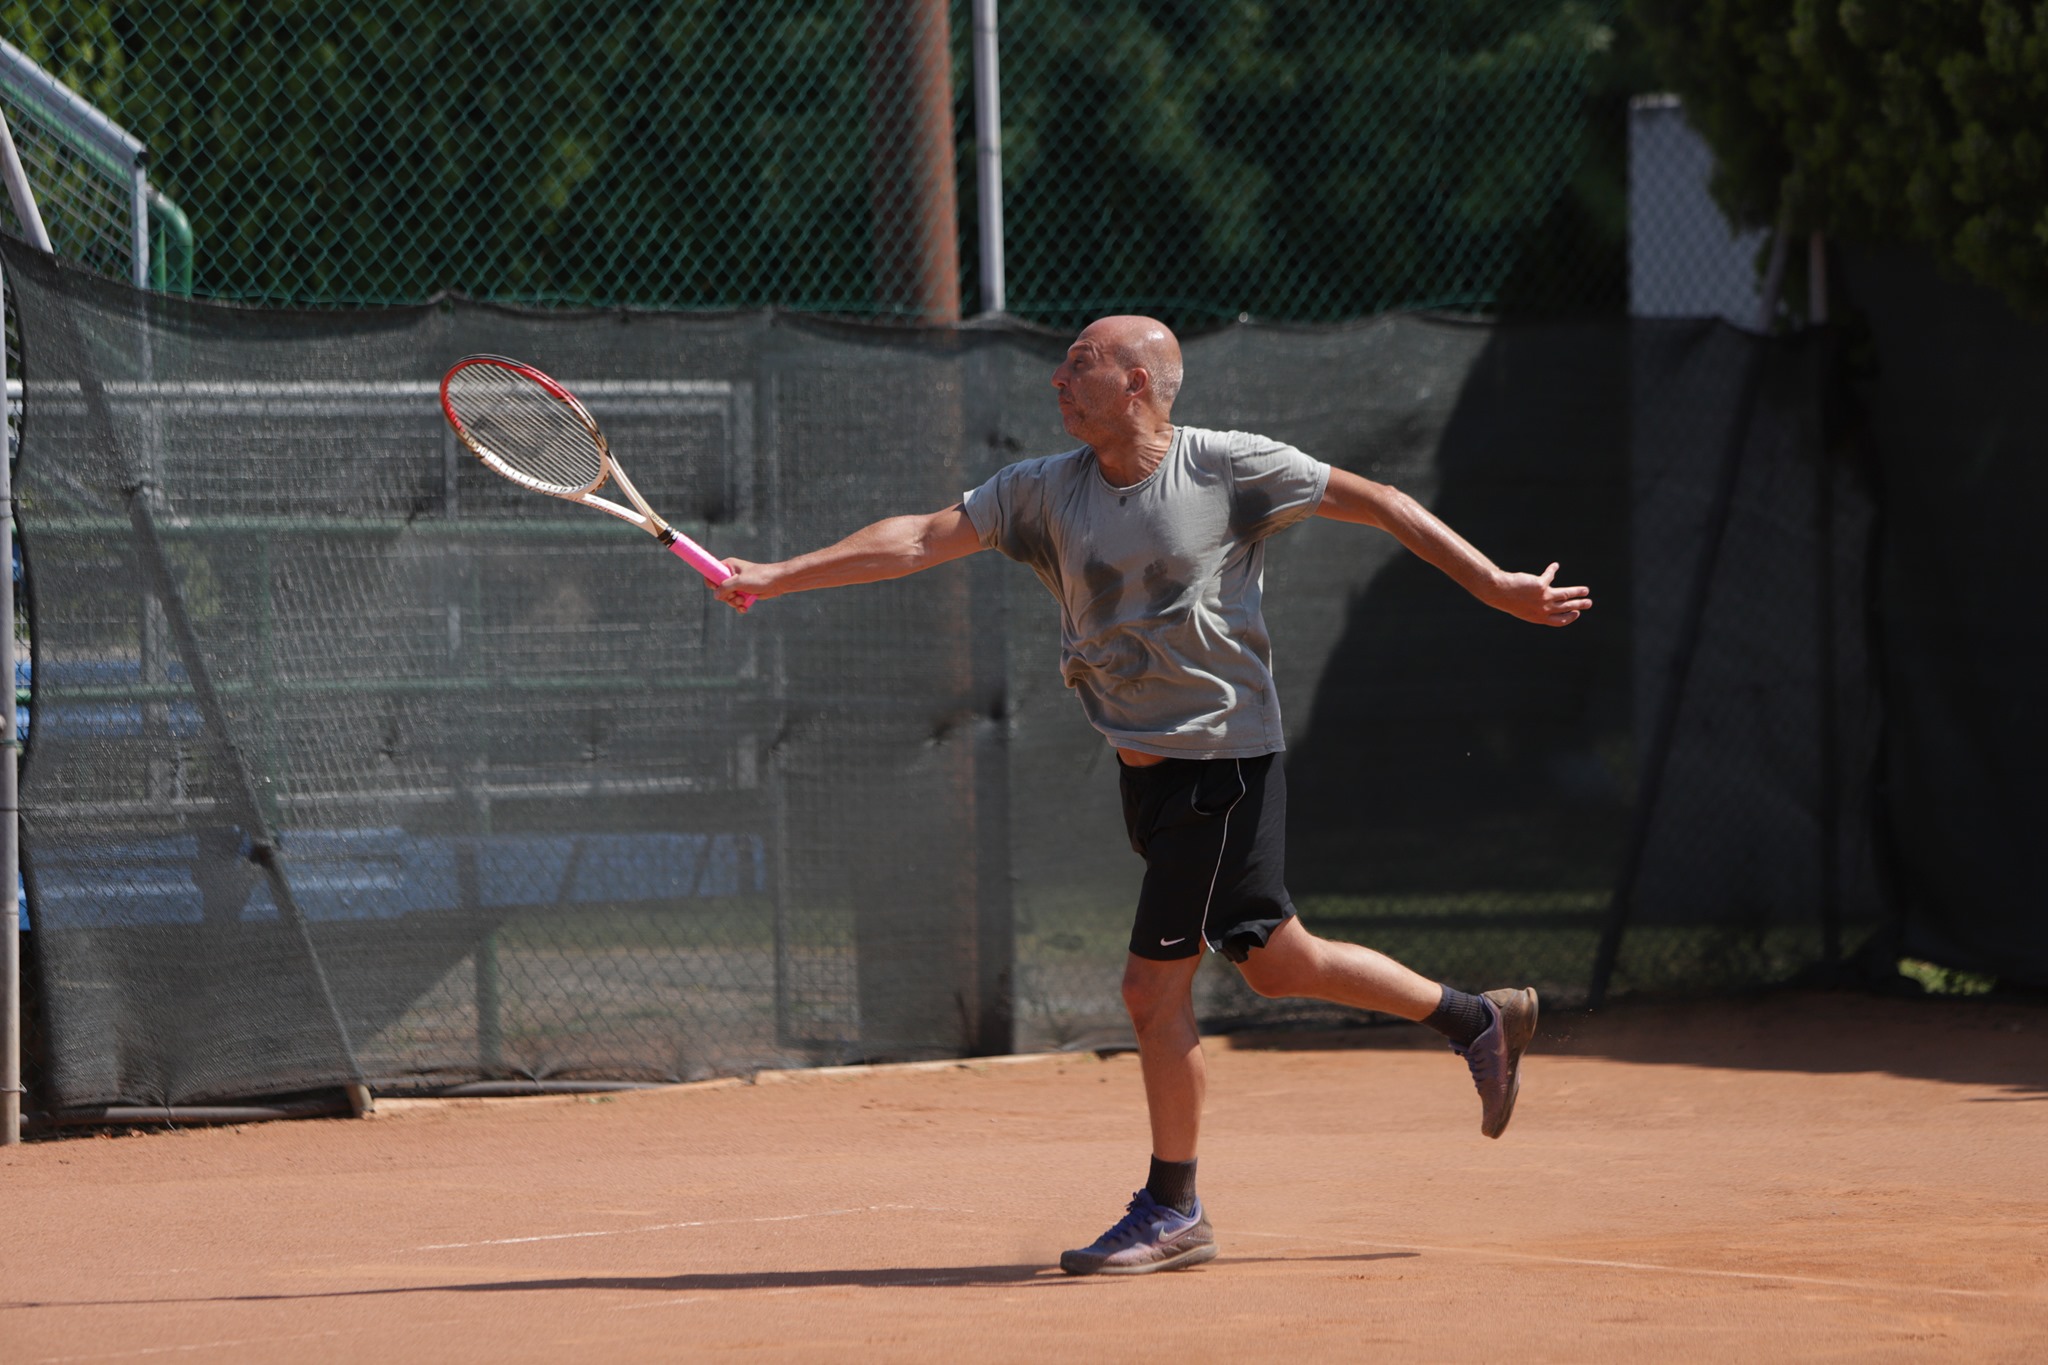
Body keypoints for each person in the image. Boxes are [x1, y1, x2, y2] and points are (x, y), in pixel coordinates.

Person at [713, 316, 1591, 1277]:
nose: (1057, 380)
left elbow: (1377, 499)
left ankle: (1174, 1208)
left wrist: (1493, 583)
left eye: (1077, 364)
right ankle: (1477, 1019)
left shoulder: (1227, 467)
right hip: (1150, 773)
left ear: (1136, 381)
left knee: (1149, 990)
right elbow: (922, 536)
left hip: (1221, 763)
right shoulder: (1045, 489)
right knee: (1276, 958)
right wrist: (779, 577)